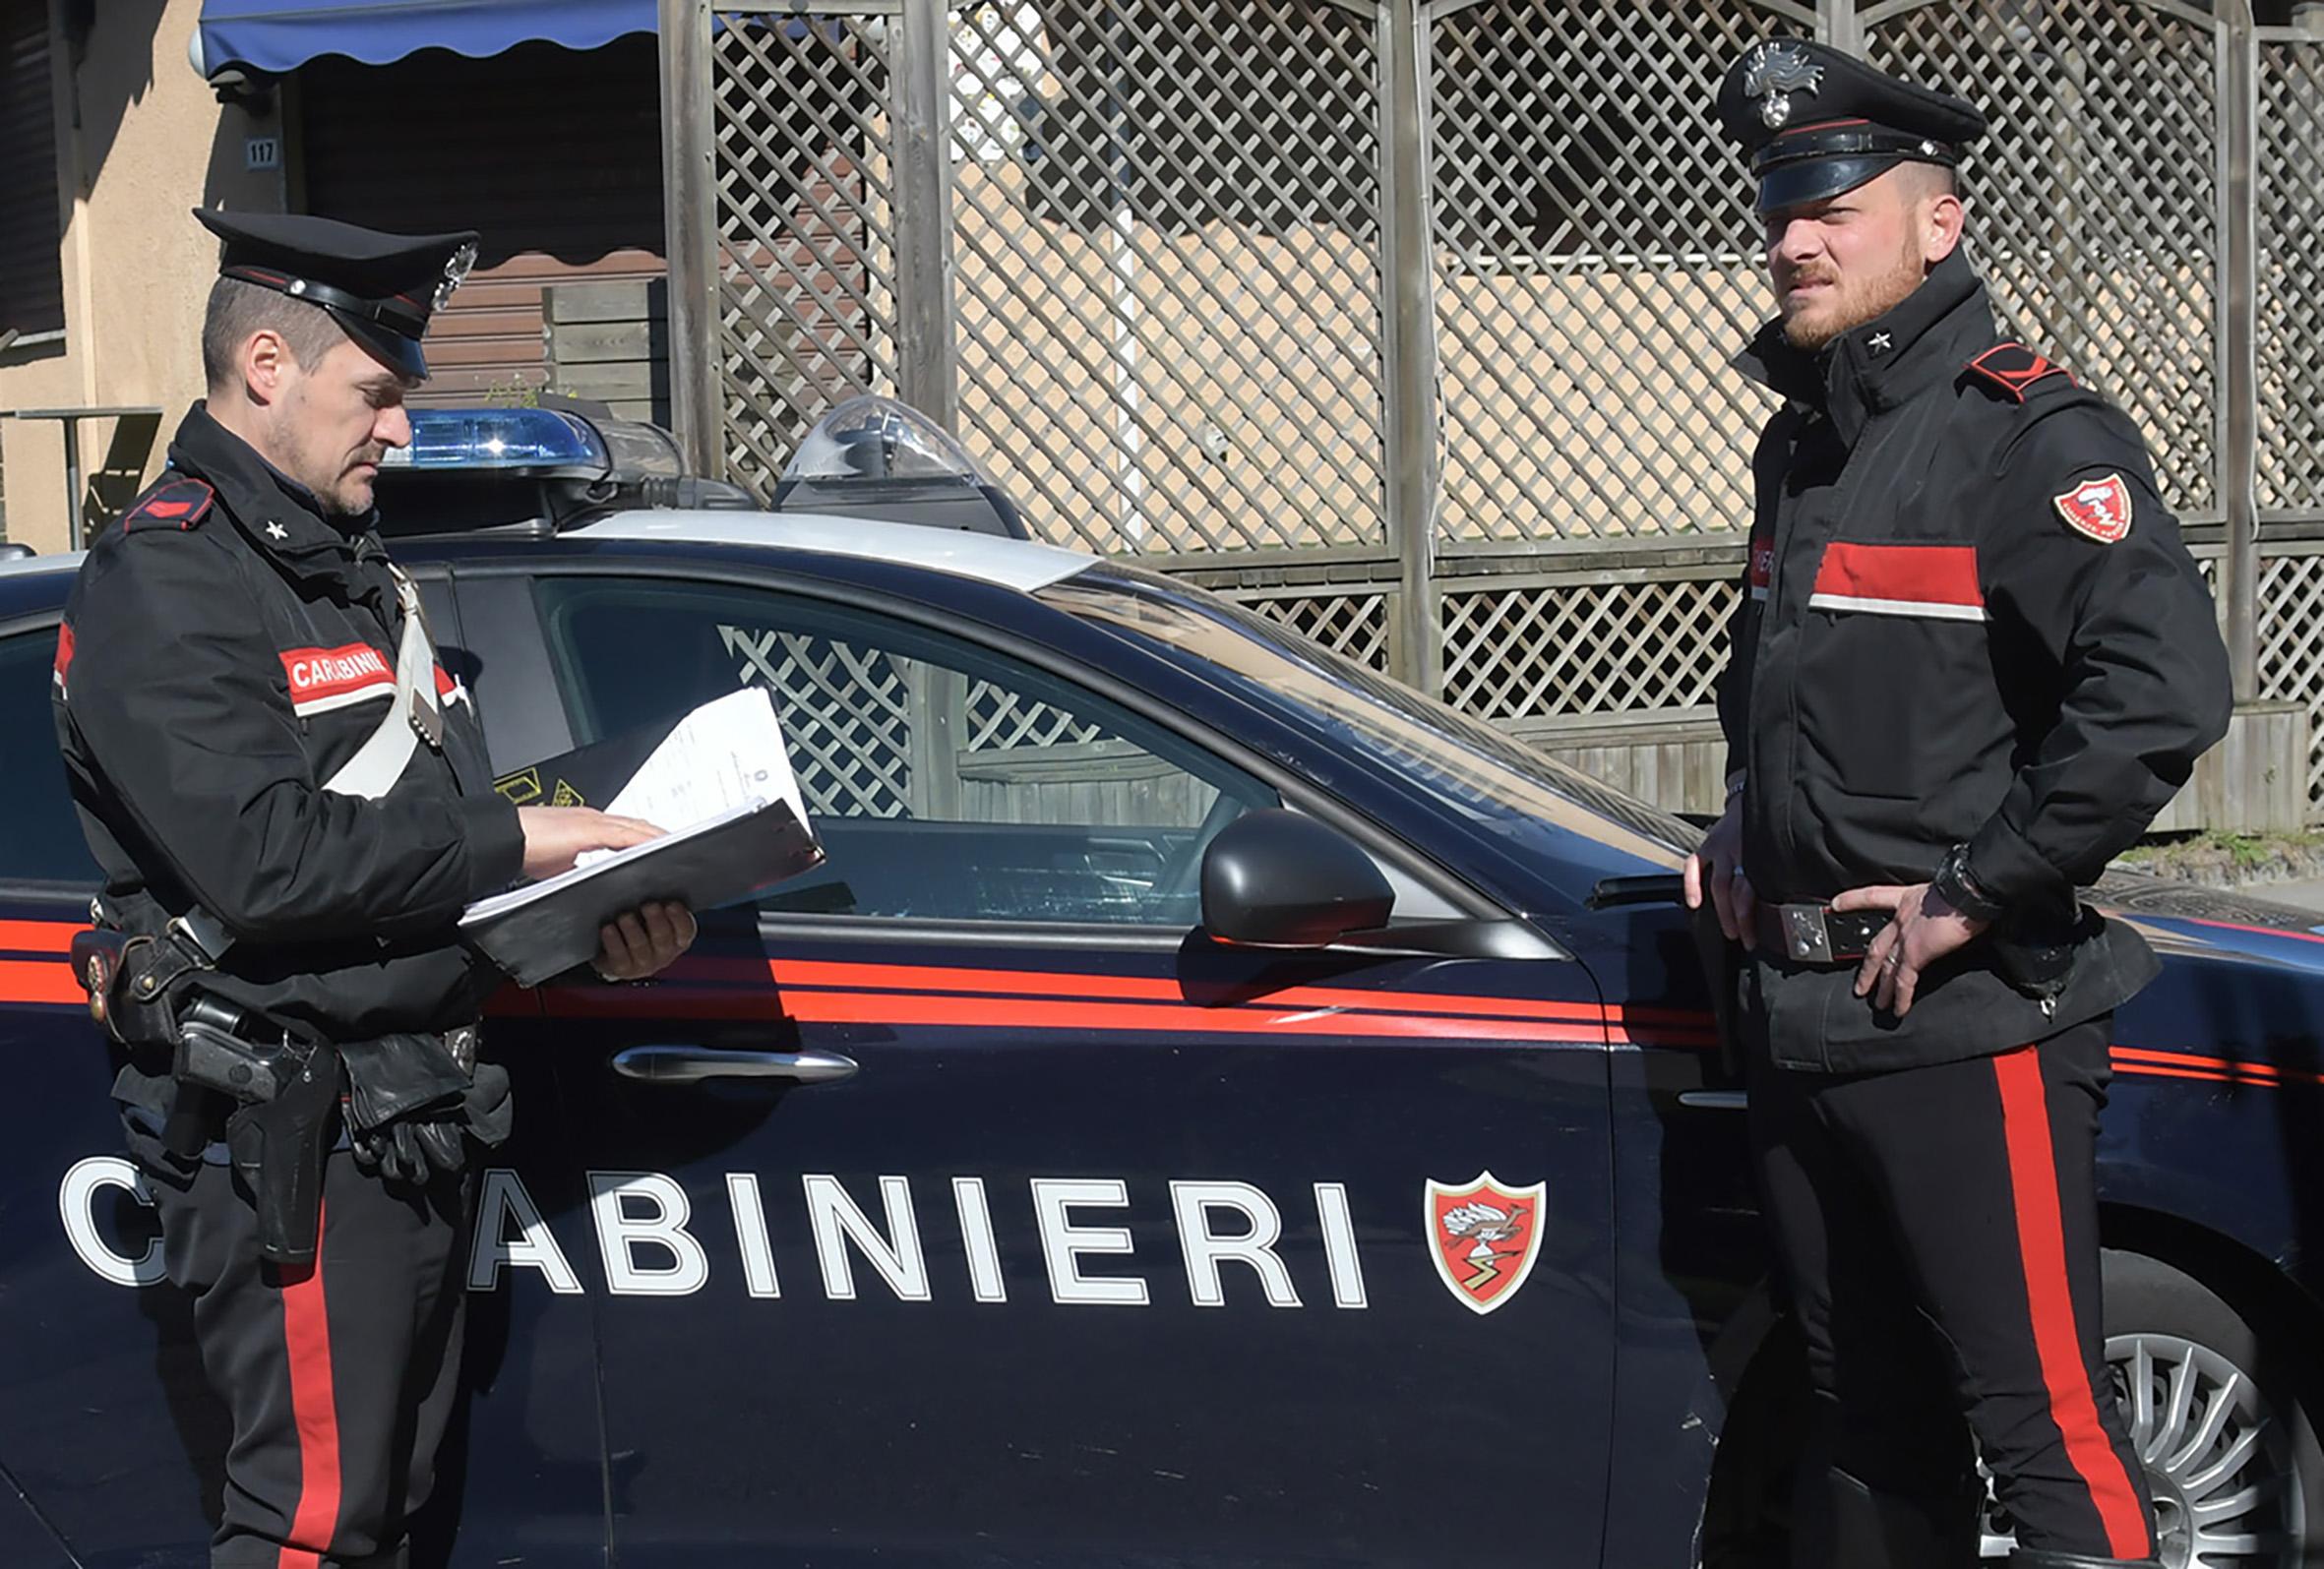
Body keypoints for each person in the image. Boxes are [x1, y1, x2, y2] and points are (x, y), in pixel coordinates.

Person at [51, 210, 698, 1569]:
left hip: (408, 1113)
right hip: (295, 1136)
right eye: (380, 395)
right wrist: (524, 844)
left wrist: (587, 926)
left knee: (392, 1515)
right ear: (269, 365)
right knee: (315, 1526)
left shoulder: (340, 572)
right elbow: (267, 866)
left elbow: (422, 855)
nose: (398, 433)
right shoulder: (171, 581)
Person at [1683, 40, 2232, 1569]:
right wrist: (1737, 824)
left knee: (2040, 1428)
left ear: (1938, 222)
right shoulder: (1800, 447)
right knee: (1860, 1427)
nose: (1790, 235)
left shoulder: (2026, 439)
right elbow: (1777, 695)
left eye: (1834, 204)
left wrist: (1972, 891)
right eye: (1777, 203)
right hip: (1797, 1015)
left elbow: (2160, 698)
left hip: (1964, 1018)